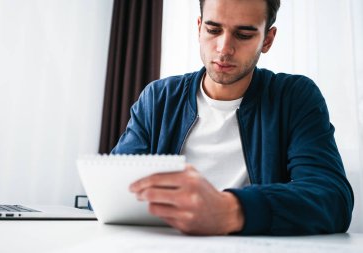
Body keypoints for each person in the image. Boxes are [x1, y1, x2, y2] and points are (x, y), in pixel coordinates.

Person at [112, 0, 354, 235]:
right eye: (213, 30)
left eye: (244, 34)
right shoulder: (159, 98)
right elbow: (111, 192)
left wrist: (230, 211)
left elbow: (332, 198)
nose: (224, 48)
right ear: (199, 28)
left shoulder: (294, 97)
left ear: (267, 39)